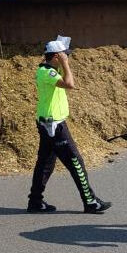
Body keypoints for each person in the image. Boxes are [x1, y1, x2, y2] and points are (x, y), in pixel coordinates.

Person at [26, 37, 112, 214]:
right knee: (76, 162)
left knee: (45, 164)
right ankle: (90, 201)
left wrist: (62, 62)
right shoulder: (47, 72)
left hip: (49, 123)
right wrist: (65, 64)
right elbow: (70, 84)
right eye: (65, 55)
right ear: (56, 56)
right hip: (54, 126)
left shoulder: (47, 70)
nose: (68, 57)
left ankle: (35, 201)